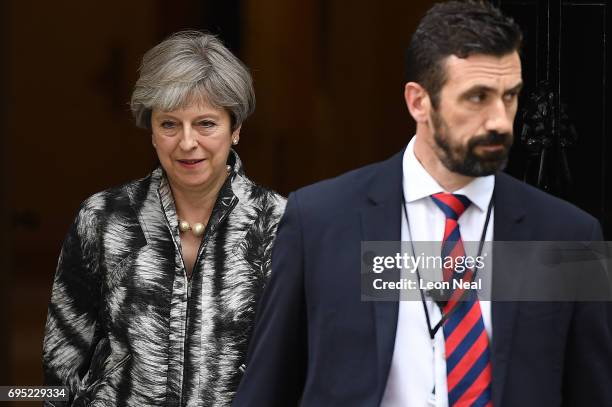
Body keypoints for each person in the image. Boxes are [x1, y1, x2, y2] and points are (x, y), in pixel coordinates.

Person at [233, 2, 612, 406]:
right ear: (419, 102)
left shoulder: (570, 235)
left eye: (510, 96)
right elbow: (266, 391)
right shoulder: (319, 221)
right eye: (477, 98)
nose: (501, 121)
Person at [42, 31, 286, 406]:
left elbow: (301, 358)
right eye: (169, 124)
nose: (187, 142)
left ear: (235, 128)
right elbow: (64, 355)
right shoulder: (104, 218)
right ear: (151, 130)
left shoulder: (278, 223)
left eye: (206, 123)